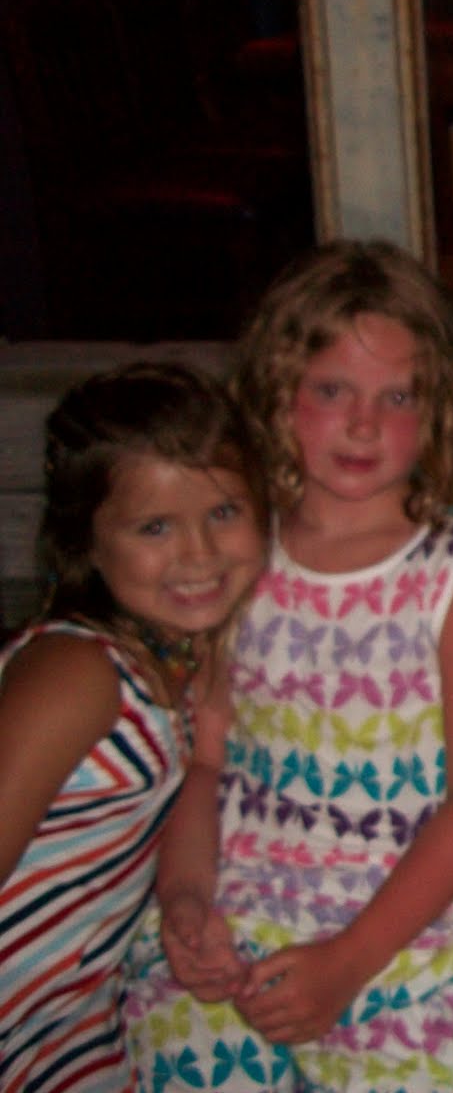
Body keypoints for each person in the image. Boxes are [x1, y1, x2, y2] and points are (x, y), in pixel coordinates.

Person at [122, 240, 453, 1091]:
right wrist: (185, 903)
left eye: (398, 396)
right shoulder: (239, 550)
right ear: (280, 392)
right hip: (238, 921)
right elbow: (207, 762)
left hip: (402, 939)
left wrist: (349, 960)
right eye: (333, 390)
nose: (364, 424)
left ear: (440, 407)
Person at [1, 362, 267, 1093]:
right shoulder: (78, 671)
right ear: (86, 543)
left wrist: (186, 902)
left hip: (70, 1019)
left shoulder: (184, 662)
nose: (199, 553)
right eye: (155, 527)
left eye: (224, 512)